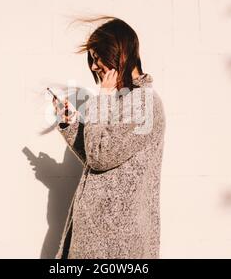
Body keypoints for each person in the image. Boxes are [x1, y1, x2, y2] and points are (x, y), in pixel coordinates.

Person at [52, 16, 166, 259]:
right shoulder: (124, 100)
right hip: (99, 241)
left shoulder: (144, 104)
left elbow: (100, 156)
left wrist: (101, 99)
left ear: (117, 52)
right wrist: (70, 124)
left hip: (115, 246)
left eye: (97, 57)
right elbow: (99, 158)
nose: (93, 66)